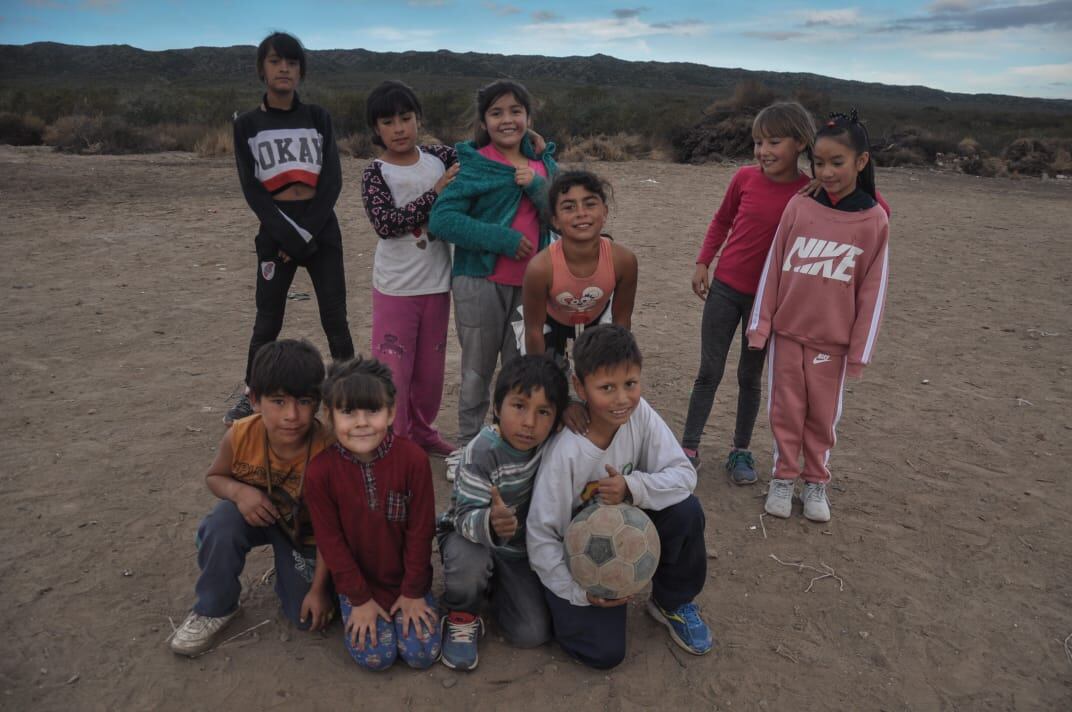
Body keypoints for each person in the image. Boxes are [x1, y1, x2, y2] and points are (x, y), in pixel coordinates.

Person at [526, 325, 714, 669]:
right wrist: (578, 592)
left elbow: (684, 475)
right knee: (605, 653)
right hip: (579, 564)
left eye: (630, 384)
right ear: (579, 387)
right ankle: (547, 603)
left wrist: (632, 487)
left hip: (625, 535)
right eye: (606, 388)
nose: (621, 399)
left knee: (685, 511)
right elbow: (541, 535)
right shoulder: (565, 454)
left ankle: (672, 601)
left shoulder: (640, 415)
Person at [747, 109, 890, 524]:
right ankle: (783, 477)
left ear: (861, 162)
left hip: (833, 342)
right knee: (785, 409)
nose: (825, 172)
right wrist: (762, 326)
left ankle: (816, 482)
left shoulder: (874, 221)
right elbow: (774, 266)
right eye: (819, 163)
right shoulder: (799, 206)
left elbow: (873, 290)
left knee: (822, 415)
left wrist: (860, 350)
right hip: (787, 334)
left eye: (837, 163)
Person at [680, 101, 816, 485]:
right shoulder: (743, 178)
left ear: (801, 143)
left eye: (774, 141)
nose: (763, 151)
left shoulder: (809, 192)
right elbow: (722, 219)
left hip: (768, 302)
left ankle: (740, 450)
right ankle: (688, 447)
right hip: (725, 290)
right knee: (709, 370)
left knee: (749, 377)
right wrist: (703, 261)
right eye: (758, 142)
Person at [170, 339, 334, 656]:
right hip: (255, 515)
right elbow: (215, 477)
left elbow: (334, 527)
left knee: (308, 617)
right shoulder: (241, 434)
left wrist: (317, 589)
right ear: (255, 400)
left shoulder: (327, 450)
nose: (292, 415)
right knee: (220, 525)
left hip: (308, 533)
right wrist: (240, 491)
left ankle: (290, 570)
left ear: (318, 403)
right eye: (278, 401)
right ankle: (215, 608)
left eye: (304, 401)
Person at [428, 80, 557, 477]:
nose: (507, 120)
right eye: (497, 112)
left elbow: (558, 213)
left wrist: (536, 185)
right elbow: (442, 218)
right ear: (484, 120)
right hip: (479, 283)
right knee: (477, 369)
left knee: (519, 369)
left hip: (531, 287)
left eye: (515, 111)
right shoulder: (474, 165)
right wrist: (500, 238)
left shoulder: (542, 165)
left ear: (528, 117)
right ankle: (467, 448)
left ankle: (511, 445)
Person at [225, 32, 354, 425]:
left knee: (335, 317)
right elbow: (253, 190)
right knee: (268, 320)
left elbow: (331, 181)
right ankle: (253, 395)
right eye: (276, 61)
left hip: (320, 230)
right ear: (261, 69)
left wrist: (302, 237)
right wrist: (286, 237)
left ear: (301, 71)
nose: (285, 69)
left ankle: (351, 392)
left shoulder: (318, 117)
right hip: (275, 231)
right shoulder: (247, 124)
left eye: (293, 63)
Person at [303, 357, 441, 671]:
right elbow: (331, 542)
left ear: (391, 412)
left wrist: (413, 591)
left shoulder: (413, 461)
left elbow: (421, 531)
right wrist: (359, 599)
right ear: (330, 415)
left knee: (421, 655)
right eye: (348, 412)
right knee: (376, 657)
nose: (362, 422)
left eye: (373, 410)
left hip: (406, 580)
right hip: (358, 587)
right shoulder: (320, 473)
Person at [437, 355, 570, 671]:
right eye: (519, 406)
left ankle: (493, 587)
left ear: (556, 420)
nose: (529, 423)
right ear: (497, 407)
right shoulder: (481, 452)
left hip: (516, 550)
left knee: (531, 633)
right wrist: (491, 523)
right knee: (469, 560)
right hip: (468, 534)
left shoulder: (551, 443)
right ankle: (462, 613)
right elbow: (465, 514)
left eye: (543, 413)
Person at [360, 80, 460, 457]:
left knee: (429, 372)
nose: (399, 128)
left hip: (437, 284)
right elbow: (386, 224)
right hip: (396, 288)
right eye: (388, 121)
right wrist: (434, 193)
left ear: (418, 119)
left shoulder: (440, 157)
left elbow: (481, 153)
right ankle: (395, 440)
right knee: (393, 371)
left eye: (406, 117)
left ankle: (422, 431)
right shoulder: (376, 172)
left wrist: (529, 136)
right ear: (376, 129)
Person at [521, 170, 638, 362]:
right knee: (549, 372)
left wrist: (617, 366)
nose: (581, 214)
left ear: (605, 212)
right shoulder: (540, 268)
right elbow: (534, 330)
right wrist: (539, 374)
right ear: (555, 220)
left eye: (590, 204)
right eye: (569, 207)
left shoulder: (623, 261)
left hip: (598, 318)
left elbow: (622, 322)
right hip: (551, 322)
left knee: (601, 372)